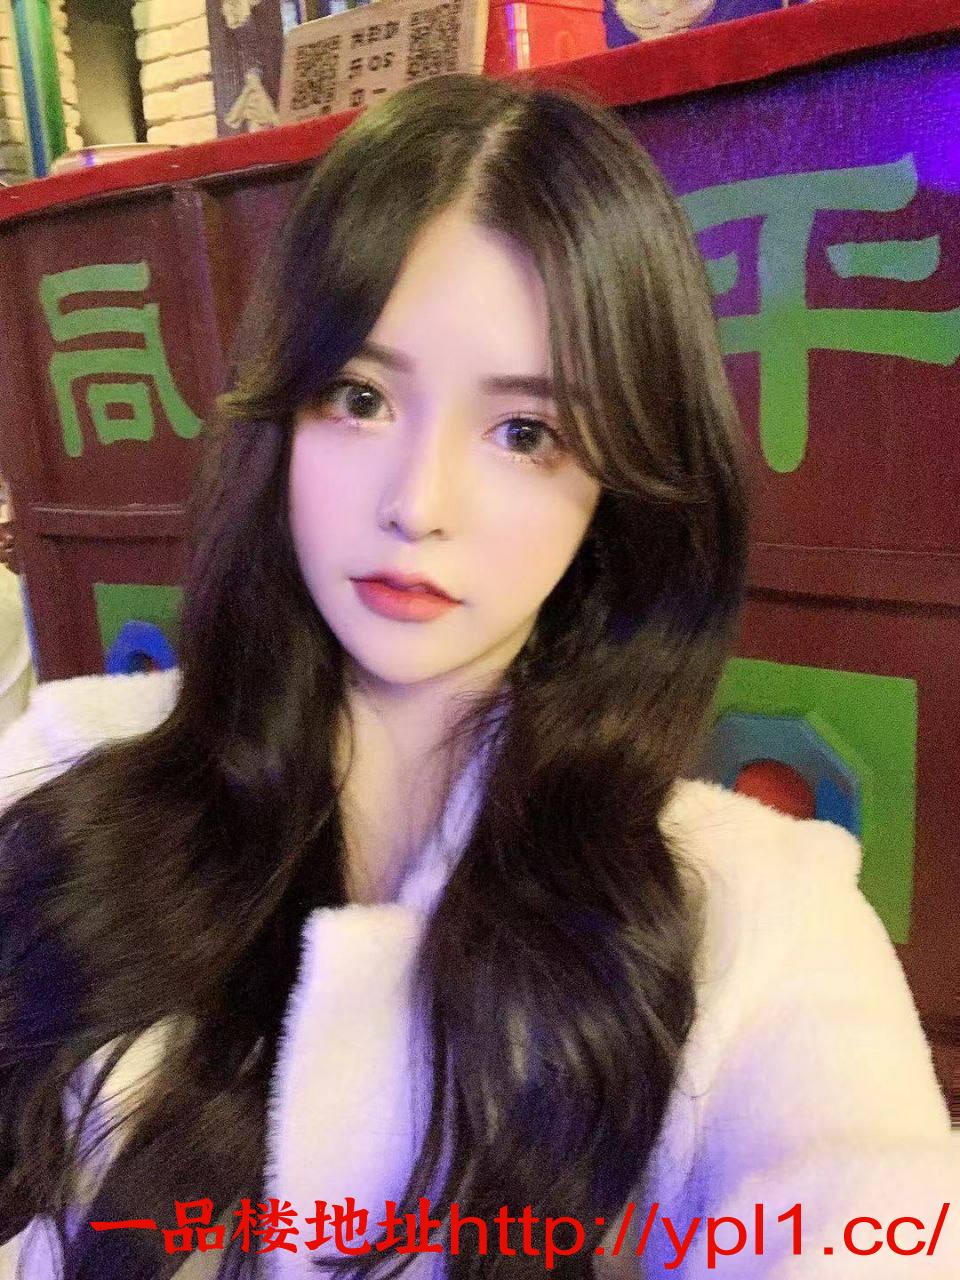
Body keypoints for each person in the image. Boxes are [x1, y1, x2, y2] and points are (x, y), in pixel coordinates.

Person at [0, 71, 955, 1280]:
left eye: (524, 432)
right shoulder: (60, 785)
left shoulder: (754, 925)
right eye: (359, 397)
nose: (418, 503)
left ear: (618, 482)